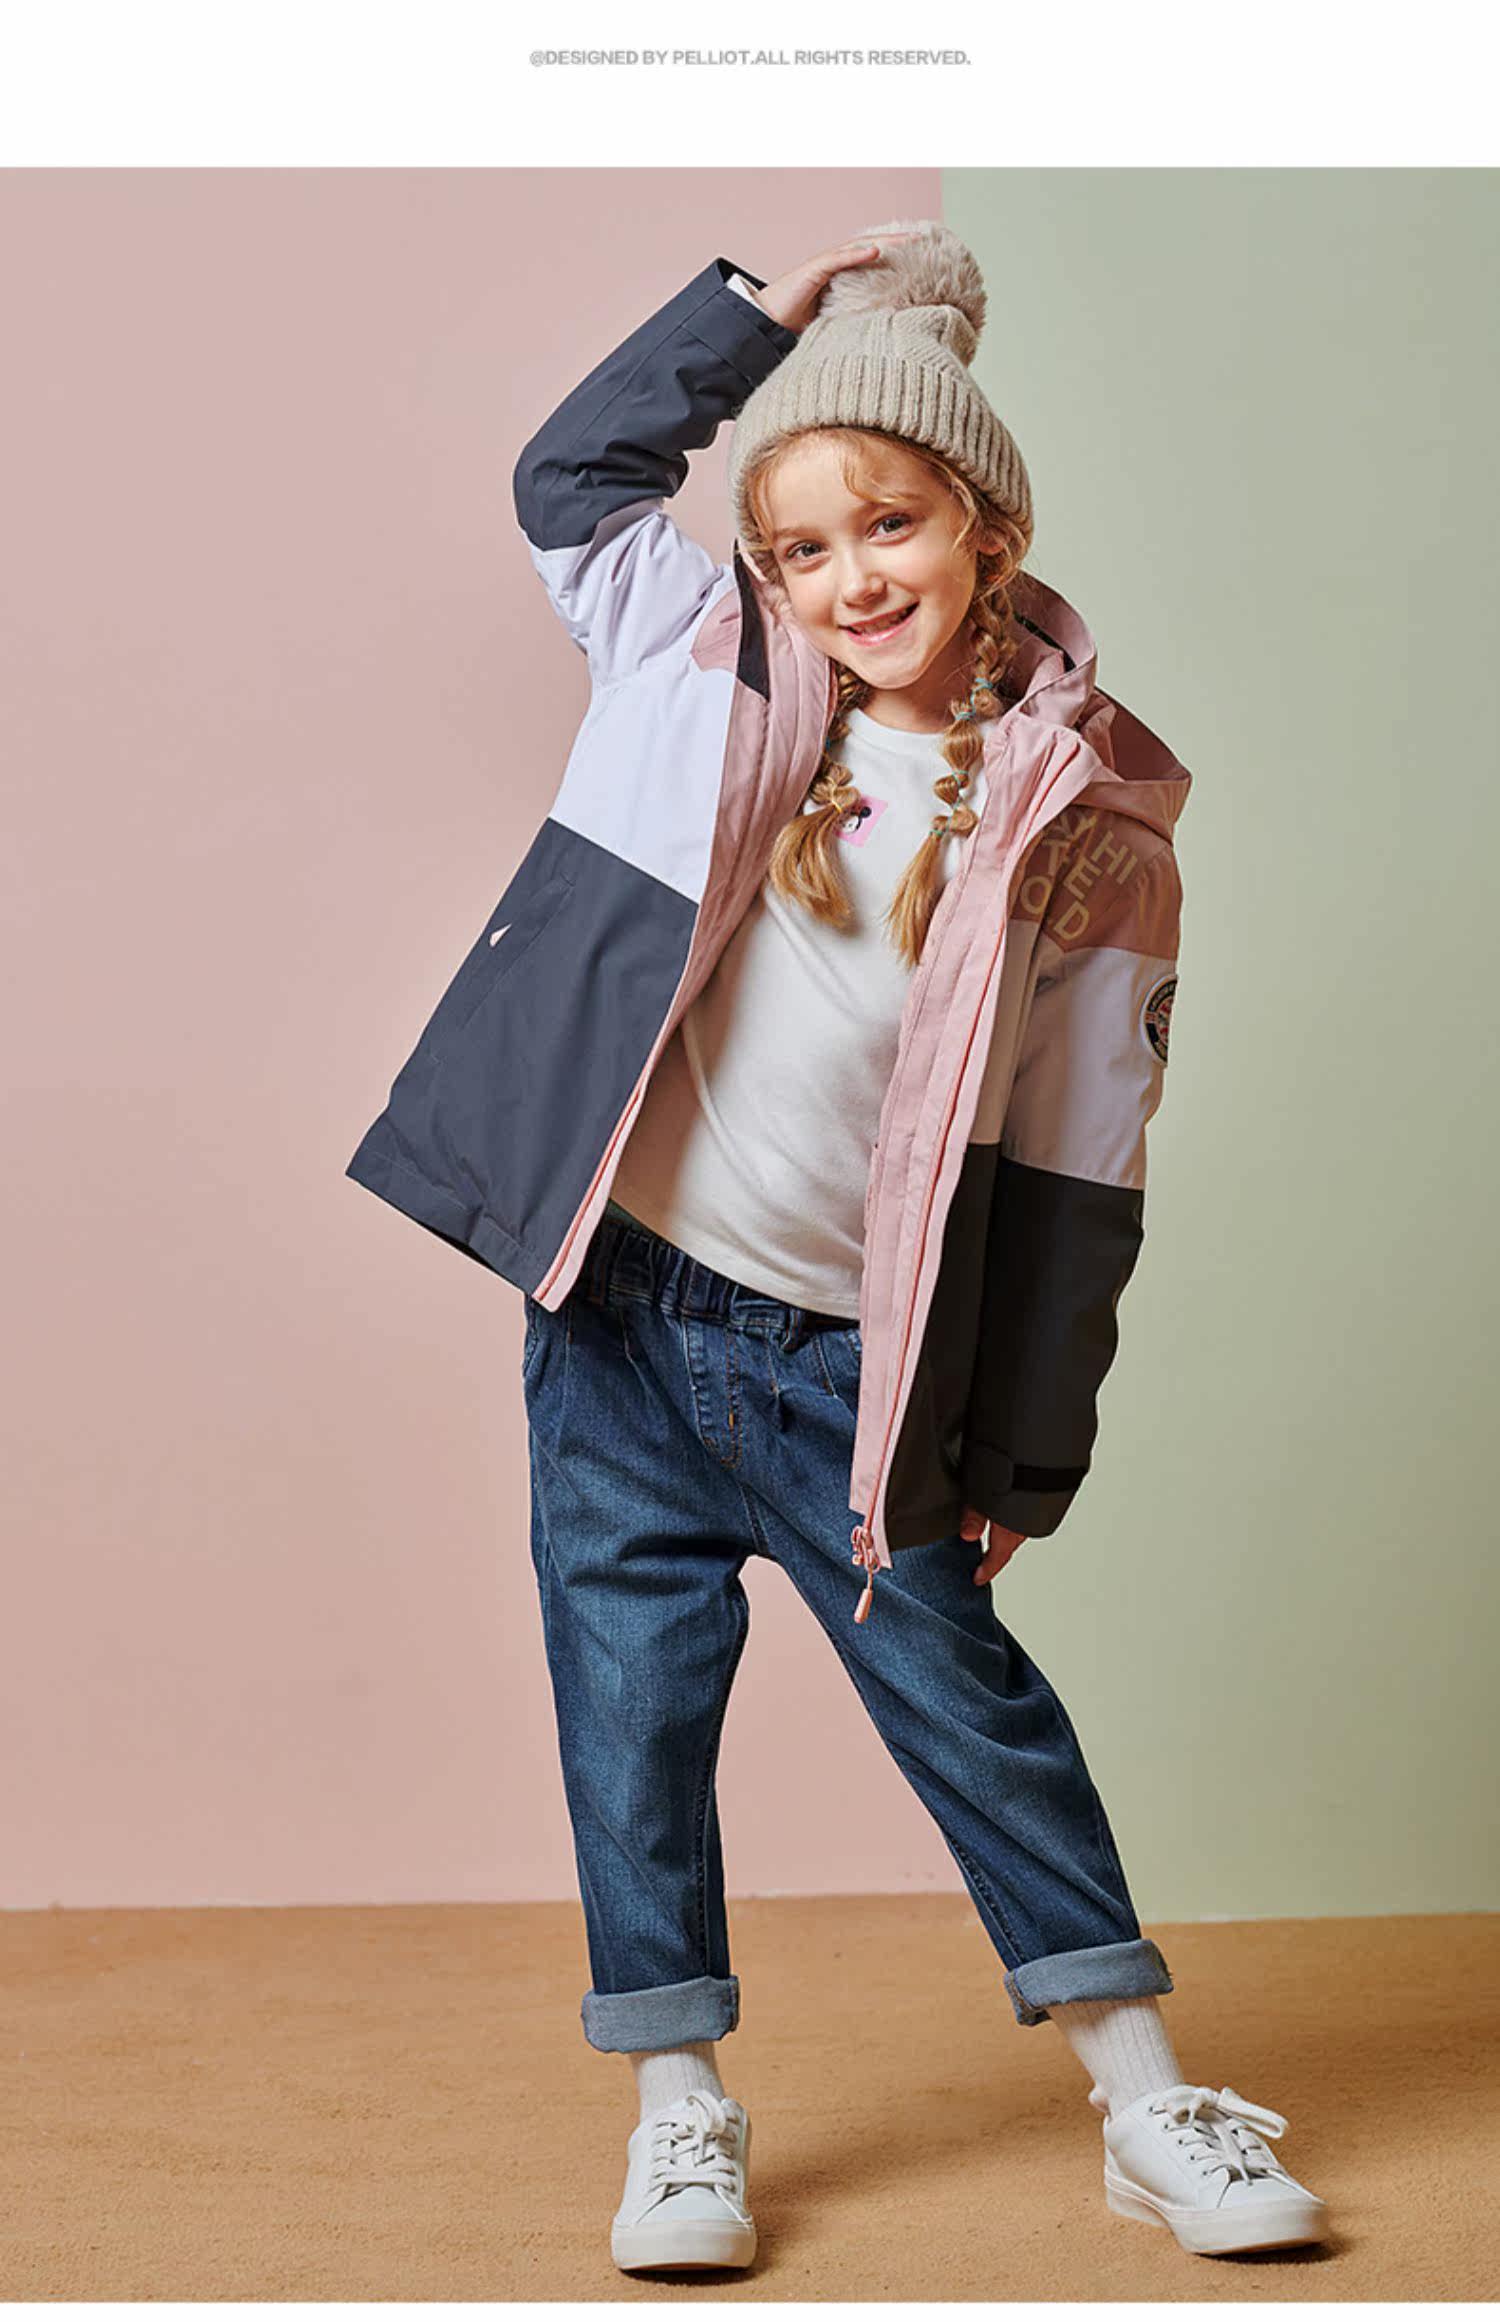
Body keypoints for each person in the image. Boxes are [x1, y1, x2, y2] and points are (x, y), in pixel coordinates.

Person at [347, 222, 1329, 2273]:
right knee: (628, 1715)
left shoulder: (1089, 823)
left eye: (891, 524)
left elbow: (1081, 1167)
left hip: (842, 1370)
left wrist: (1021, 1452)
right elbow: (568, 482)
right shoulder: (696, 663)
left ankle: (1150, 2103)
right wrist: (754, 322)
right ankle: (678, 2113)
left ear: (984, 528)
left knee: (974, 1709)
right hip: (617, 1321)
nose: (850, 579)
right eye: (801, 547)